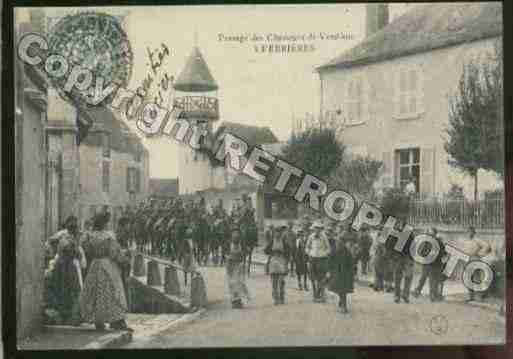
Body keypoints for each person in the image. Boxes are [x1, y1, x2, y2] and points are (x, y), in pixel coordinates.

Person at [79, 212, 133, 331]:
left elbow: (87, 250)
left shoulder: (90, 236)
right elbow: (114, 253)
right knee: (113, 291)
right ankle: (116, 320)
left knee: (95, 293)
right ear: (104, 224)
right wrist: (125, 260)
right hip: (107, 266)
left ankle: (99, 321)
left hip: (94, 265)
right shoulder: (108, 237)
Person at [45, 216, 85, 325]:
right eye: (71, 224)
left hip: (71, 266)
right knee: (62, 289)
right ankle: (64, 315)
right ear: (67, 225)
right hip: (62, 266)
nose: (73, 227)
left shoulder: (78, 236)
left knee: (73, 289)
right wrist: (53, 254)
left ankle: (72, 315)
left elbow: (78, 252)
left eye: (74, 224)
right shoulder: (62, 234)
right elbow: (49, 242)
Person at [328, 233, 355, 314]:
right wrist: (330, 270)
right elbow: (329, 260)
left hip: (345, 273)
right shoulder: (334, 250)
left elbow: (351, 263)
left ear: (344, 243)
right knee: (338, 289)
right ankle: (341, 300)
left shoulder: (347, 252)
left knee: (343, 290)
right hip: (336, 273)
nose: (339, 243)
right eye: (338, 242)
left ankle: (344, 306)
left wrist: (351, 273)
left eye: (341, 242)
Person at [305, 220, 331, 303]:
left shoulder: (324, 237)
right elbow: (307, 247)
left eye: (319, 228)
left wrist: (324, 253)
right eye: (316, 228)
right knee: (313, 278)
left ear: (321, 229)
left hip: (321, 259)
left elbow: (328, 248)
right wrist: (309, 253)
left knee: (321, 278)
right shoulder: (311, 236)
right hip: (312, 258)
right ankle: (315, 294)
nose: (317, 230)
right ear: (313, 229)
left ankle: (320, 294)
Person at [264, 224, 291, 305]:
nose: (277, 234)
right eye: (276, 232)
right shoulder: (272, 241)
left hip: (282, 260)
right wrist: (270, 252)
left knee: (281, 280)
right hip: (273, 261)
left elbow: (288, 251)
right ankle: (275, 298)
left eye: (279, 232)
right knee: (274, 281)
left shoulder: (284, 242)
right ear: (274, 233)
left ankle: (281, 296)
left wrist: (286, 261)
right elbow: (266, 250)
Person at [226, 226, 251, 309]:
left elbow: (245, 252)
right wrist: (228, 258)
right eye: (234, 233)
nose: (235, 235)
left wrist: (243, 256)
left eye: (237, 233)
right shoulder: (228, 243)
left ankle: (239, 300)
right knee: (232, 283)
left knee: (239, 282)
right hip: (231, 266)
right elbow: (225, 253)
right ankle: (234, 301)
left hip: (239, 265)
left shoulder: (242, 244)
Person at [464, 226, 491, 302]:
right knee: (468, 279)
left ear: (474, 233)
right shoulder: (466, 241)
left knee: (477, 278)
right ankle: (471, 296)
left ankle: (479, 297)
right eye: (468, 232)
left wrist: (480, 254)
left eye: (471, 232)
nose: (469, 233)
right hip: (468, 260)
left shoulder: (477, 240)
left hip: (475, 259)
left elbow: (487, 247)